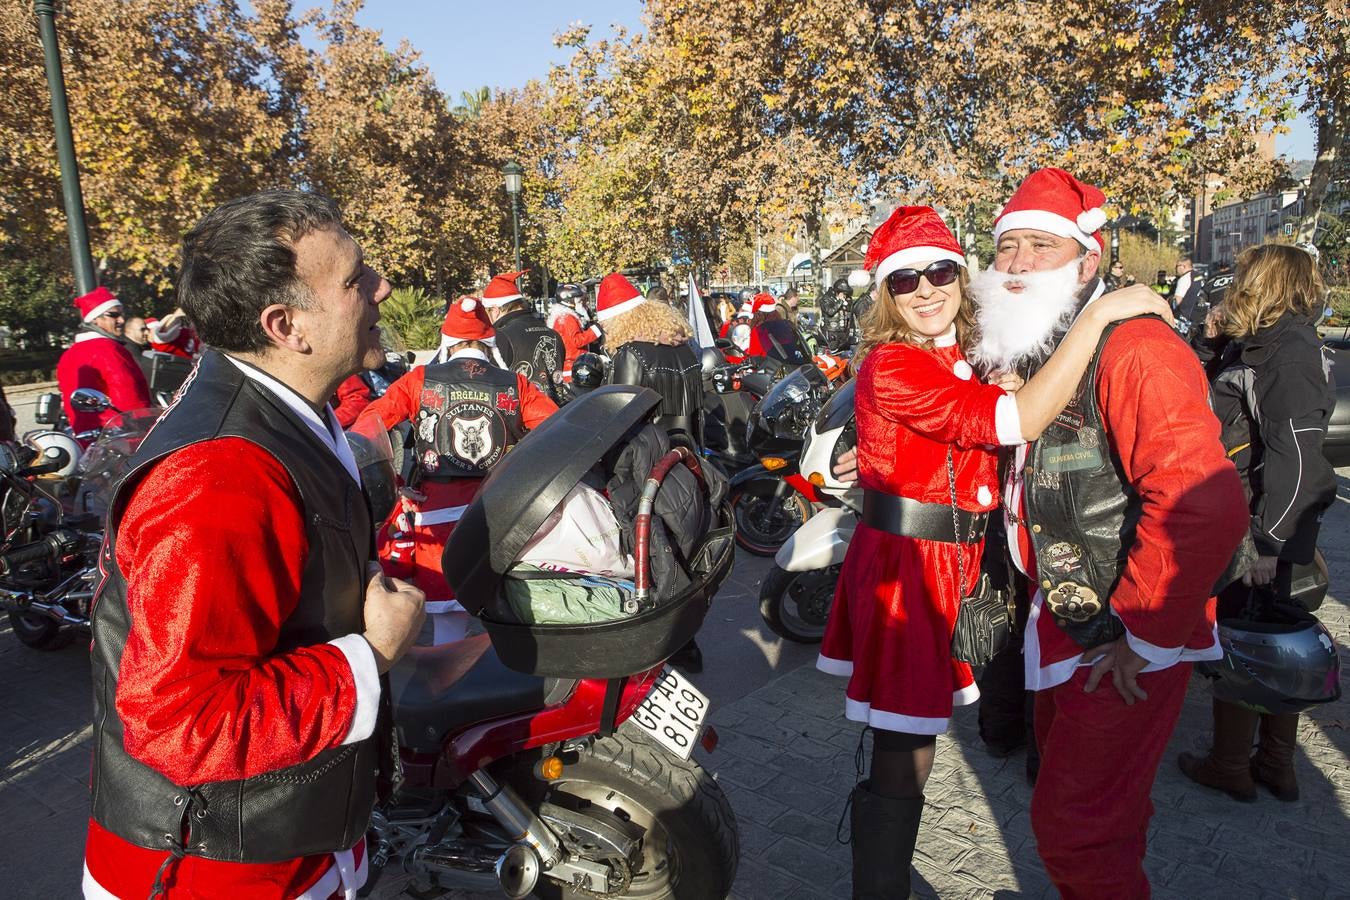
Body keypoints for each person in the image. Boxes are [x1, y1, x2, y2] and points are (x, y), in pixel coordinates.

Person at [816, 204, 1173, 900]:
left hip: (954, 564)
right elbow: (1016, 421)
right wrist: (1097, 317)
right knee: (904, 743)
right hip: (908, 573)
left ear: (961, 275)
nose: (925, 289)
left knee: (916, 735)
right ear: (886, 296)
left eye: (940, 271)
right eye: (906, 281)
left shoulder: (960, 356)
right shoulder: (895, 362)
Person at [83, 190, 427, 898]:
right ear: (286, 326)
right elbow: (181, 721)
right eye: (356, 278)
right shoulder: (217, 475)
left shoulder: (289, 410)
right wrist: (372, 654)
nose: (381, 288)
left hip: (282, 841)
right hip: (218, 871)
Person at [968, 168, 1248, 899]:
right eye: (1006, 248)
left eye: (1039, 247)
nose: (1018, 264)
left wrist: (1144, 638)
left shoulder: (1137, 348)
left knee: (1075, 827)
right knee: (1091, 818)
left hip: (1120, 629)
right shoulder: (1048, 343)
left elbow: (1203, 504)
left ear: (1088, 262)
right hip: (1070, 615)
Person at [1178, 243, 1337, 803]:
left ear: (1266, 282)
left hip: (1264, 527)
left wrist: (1271, 543)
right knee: (1267, 640)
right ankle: (1272, 765)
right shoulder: (1266, 343)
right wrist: (1211, 336)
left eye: (1245, 275)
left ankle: (1235, 765)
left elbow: (1298, 456)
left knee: (1249, 642)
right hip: (1258, 521)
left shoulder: (1287, 352)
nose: (1234, 283)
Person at [362, 296, 557, 644]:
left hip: (437, 512)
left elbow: (368, 426)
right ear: (489, 343)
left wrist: (394, 485)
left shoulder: (419, 380)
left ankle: (452, 688)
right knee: (504, 609)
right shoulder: (515, 384)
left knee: (448, 621)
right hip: (499, 507)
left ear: (448, 343)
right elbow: (557, 431)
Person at [601, 272, 707, 671]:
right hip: (689, 456)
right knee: (685, 545)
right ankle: (687, 638)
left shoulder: (632, 352)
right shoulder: (685, 349)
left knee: (651, 549)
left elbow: (620, 413)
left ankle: (667, 639)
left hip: (646, 462)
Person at [55, 286, 152, 441]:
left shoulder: (68, 355)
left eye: (121, 315)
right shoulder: (109, 350)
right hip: (123, 439)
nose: (121, 320)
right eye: (114, 315)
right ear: (95, 319)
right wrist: (147, 430)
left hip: (87, 441)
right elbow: (130, 398)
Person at [482, 269, 566, 404]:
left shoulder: (500, 337)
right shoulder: (552, 333)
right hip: (555, 416)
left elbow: (489, 384)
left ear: (495, 310)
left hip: (521, 419)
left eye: (486, 312)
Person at [546, 283, 603, 384]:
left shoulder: (563, 316)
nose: (582, 303)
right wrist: (596, 330)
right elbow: (577, 341)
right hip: (572, 366)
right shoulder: (567, 318)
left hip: (569, 365)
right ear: (570, 301)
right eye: (579, 300)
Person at [744, 292, 811, 366]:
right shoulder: (787, 323)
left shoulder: (759, 330)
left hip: (776, 370)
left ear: (757, 314)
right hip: (799, 365)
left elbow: (755, 354)